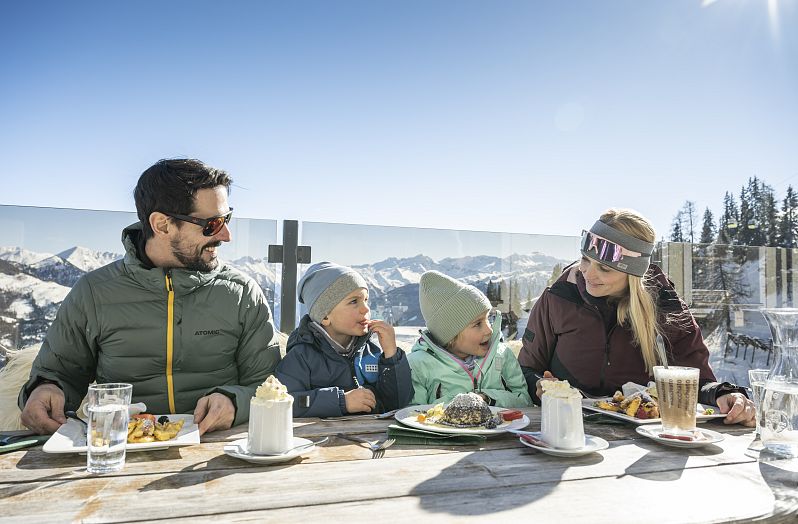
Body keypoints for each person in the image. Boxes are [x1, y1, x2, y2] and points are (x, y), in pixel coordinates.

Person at [18, 159, 282, 435]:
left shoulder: (241, 293)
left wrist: (235, 402)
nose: (226, 235)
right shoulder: (94, 293)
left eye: (226, 219)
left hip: (215, 444)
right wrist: (45, 391)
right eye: (212, 224)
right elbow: (58, 372)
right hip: (122, 444)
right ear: (162, 225)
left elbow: (269, 385)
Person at [518, 208, 755, 426]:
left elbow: (695, 381)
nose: (588, 274)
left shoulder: (666, 308)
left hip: (641, 435)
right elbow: (526, 370)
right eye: (585, 259)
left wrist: (723, 393)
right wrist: (540, 385)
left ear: (632, 273)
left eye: (605, 268)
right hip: (565, 426)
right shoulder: (559, 298)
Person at [275, 262, 413, 417]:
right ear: (325, 316)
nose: (366, 309)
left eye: (366, 300)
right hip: (323, 433)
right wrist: (341, 401)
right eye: (354, 301)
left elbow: (398, 403)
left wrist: (391, 356)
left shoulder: (371, 351)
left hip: (371, 431)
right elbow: (287, 402)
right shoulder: (301, 356)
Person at [408, 270, 532, 407]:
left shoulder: (501, 355)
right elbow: (413, 413)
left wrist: (487, 398)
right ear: (450, 335)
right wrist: (462, 403)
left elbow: (525, 401)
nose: (489, 330)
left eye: (488, 319)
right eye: (478, 324)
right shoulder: (418, 366)